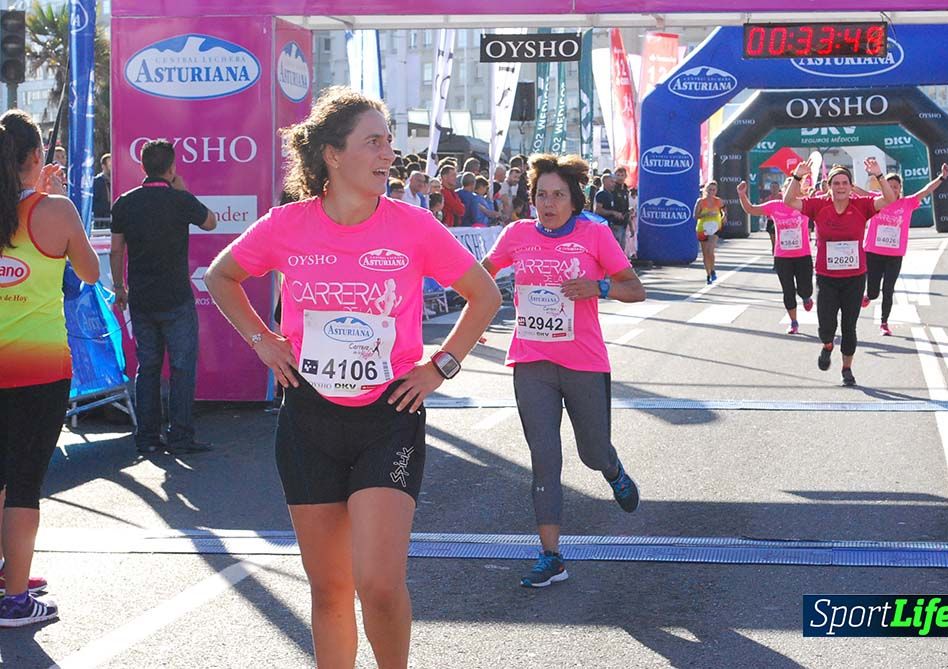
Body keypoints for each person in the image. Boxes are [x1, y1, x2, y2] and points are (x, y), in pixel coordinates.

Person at [203, 86, 500, 668]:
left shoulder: (412, 227)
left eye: (389, 141)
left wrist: (441, 365)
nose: (389, 153)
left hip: (389, 416)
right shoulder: (286, 225)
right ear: (332, 156)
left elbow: (484, 295)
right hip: (309, 416)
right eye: (374, 142)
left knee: (379, 585)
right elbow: (220, 276)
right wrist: (263, 340)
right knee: (330, 589)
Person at [482, 154, 645, 589]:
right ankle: (551, 555)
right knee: (544, 459)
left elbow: (636, 288)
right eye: (541, 195)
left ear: (574, 200)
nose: (548, 203)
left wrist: (600, 286)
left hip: (584, 361)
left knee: (591, 453)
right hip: (531, 360)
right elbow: (481, 276)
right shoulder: (516, 234)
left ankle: (612, 469)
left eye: (558, 195)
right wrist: (475, 315)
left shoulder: (594, 235)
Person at [0, 109, 99, 627]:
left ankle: (6, 571)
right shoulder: (56, 210)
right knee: (23, 483)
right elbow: (89, 271)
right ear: (36, 158)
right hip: (39, 371)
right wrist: (51, 196)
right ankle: (14, 598)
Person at [110, 140, 217, 454]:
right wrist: (182, 191)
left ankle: (147, 438)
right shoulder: (179, 200)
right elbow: (211, 222)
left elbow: (117, 250)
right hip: (177, 298)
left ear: (143, 167)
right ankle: (181, 438)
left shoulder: (124, 203)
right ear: (171, 169)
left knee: (148, 368)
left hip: (141, 299)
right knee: (183, 368)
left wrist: (119, 288)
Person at [784, 158, 896, 386]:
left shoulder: (862, 205)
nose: (841, 187)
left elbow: (890, 200)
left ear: (851, 185)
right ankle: (827, 345)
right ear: (829, 185)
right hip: (827, 277)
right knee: (826, 326)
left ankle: (847, 369)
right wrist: (797, 176)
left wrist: (879, 175)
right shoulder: (817, 205)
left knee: (849, 326)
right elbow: (789, 201)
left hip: (854, 278)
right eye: (836, 183)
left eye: (845, 182)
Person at [860, 164, 948, 336]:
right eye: (889, 186)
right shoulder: (875, 200)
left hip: (894, 255)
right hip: (873, 253)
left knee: (888, 289)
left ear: (900, 189)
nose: (893, 189)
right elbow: (856, 192)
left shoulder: (907, 203)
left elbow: (926, 190)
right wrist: (843, 181)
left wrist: (942, 177)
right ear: (883, 187)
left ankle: (884, 323)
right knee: (873, 292)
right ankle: (868, 296)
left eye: (896, 187)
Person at [737, 179, 813, 334]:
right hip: (782, 256)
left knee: (805, 288)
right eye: (789, 188)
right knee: (788, 290)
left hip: (803, 255)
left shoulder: (805, 204)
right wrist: (742, 195)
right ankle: (794, 322)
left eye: (796, 188)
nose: (792, 191)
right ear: (783, 191)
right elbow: (751, 209)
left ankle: (806, 296)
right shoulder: (775, 205)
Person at [694, 181, 725, 284]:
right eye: (710, 189)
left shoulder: (719, 201)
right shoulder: (700, 201)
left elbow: (724, 210)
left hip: (715, 228)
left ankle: (713, 270)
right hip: (702, 228)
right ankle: (708, 274)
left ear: (716, 191)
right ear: (706, 190)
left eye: (714, 190)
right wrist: (706, 215)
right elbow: (695, 216)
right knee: (705, 253)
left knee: (710, 251)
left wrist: (724, 217)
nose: (711, 192)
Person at [92, 153, 112, 224]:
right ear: (103, 166)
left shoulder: (116, 181)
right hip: (100, 220)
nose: (112, 167)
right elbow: (94, 203)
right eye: (110, 165)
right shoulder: (97, 182)